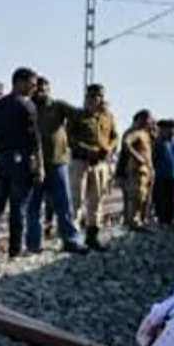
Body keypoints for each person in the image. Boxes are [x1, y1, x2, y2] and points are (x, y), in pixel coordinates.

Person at [0, 68, 42, 261]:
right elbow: (35, 139)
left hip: (2, 158)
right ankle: (15, 250)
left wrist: (4, 137)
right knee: (18, 206)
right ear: (20, 82)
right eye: (32, 84)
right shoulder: (27, 105)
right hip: (21, 160)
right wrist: (39, 165)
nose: (34, 88)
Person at [25, 77, 87, 254]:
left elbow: (80, 116)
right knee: (34, 206)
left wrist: (73, 140)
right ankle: (33, 244)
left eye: (44, 88)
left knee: (63, 203)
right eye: (37, 88)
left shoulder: (58, 106)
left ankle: (70, 240)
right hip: (35, 164)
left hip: (57, 162)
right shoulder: (28, 107)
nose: (41, 92)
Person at [67, 84, 118, 250]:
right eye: (93, 96)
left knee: (97, 200)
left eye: (100, 96)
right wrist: (87, 150)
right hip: (80, 162)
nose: (96, 99)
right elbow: (69, 138)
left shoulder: (107, 117)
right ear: (87, 97)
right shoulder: (77, 115)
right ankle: (73, 237)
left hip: (100, 164)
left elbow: (115, 137)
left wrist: (109, 148)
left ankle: (92, 236)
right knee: (77, 200)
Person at [117, 111, 155, 231]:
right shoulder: (135, 132)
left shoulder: (146, 134)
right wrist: (137, 156)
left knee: (144, 197)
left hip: (147, 170)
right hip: (137, 170)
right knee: (137, 196)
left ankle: (142, 220)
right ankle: (133, 221)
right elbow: (126, 143)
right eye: (149, 119)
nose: (151, 122)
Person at [151, 120, 174, 227]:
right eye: (169, 129)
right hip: (161, 175)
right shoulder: (158, 142)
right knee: (161, 198)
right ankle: (162, 220)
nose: (171, 132)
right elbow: (153, 158)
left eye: (173, 129)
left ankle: (171, 219)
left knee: (173, 199)